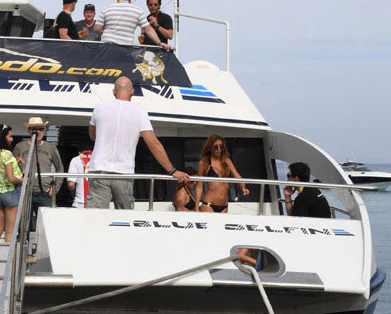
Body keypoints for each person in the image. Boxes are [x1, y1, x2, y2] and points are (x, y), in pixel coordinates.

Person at [87, 77, 189, 209]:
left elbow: (92, 136)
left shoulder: (99, 109)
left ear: (114, 92)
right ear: (132, 92)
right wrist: (173, 171)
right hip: (124, 173)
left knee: (95, 217)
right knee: (125, 218)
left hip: (99, 170)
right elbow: (154, 144)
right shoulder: (140, 112)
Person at [14, 116, 63, 220]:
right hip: (24, 193)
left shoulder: (50, 147)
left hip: (44, 193)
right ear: (29, 130)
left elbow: (60, 168)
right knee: (22, 226)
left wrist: (55, 188)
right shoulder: (19, 147)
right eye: (34, 129)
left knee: (46, 224)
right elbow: (13, 169)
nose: (38, 132)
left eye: (41, 129)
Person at [95, 0, 167, 50]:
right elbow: (148, 29)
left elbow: (97, 29)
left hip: (107, 47)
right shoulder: (137, 11)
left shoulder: (106, 9)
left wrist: (109, 30)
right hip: (125, 48)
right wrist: (160, 43)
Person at [194, 135, 250, 213]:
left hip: (224, 206)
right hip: (209, 205)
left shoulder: (227, 162)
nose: (219, 149)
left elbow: (237, 176)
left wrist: (243, 187)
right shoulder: (204, 163)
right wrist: (196, 207)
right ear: (210, 147)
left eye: (221, 147)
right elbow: (199, 186)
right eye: (216, 147)